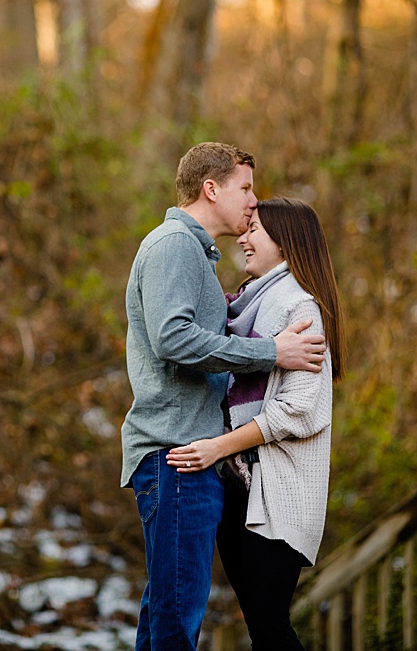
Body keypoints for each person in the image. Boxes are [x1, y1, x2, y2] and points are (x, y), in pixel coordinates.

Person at [121, 142, 325, 650]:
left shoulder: (195, 255)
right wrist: (270, 352)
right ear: (211, 189)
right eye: (246, 188)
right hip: (178, 454)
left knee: (167, 609)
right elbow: (174, 339)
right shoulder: (176, 246)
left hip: (187, 456)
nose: (253, 202)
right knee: (175, 614)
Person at [165, 198, 342, 649]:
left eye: (255, 230)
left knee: (269, 624)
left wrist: (219, 447)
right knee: (261, 626)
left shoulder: (299, 308)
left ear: (286, 243)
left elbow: (297, 409)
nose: (242, 237)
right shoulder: (249, 304)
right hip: (240, 489)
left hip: (278, 500)